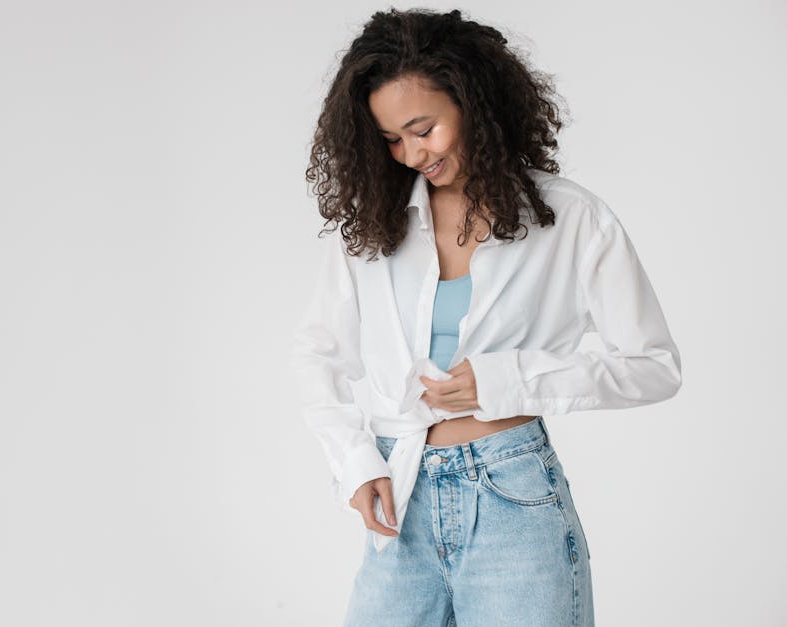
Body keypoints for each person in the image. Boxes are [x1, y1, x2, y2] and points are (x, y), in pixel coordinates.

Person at [290, 8, 682, 627]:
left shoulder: (570, 219)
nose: (412, 153)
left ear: (473, 101)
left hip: (514, 500)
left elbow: (654, 365)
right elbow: (319, 354)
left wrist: (510, 379)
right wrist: (355, 464)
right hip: (400, 497)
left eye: (424, 129)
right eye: (392, 139)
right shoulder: (372, 227)